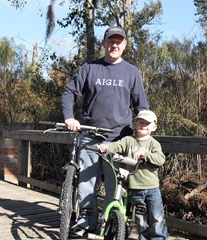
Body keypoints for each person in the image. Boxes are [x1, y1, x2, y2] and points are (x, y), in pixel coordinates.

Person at [61, 25, 149, 238]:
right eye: (111, 41)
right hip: (90, 137)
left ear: (125, 45)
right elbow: (69, 92)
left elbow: (142, 107)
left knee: (115, 187)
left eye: (119, 41)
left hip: (119, 140)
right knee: (85, 185)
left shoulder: (132, 72)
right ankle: (85, 223)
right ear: (104, 43)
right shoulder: (90, 68)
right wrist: (69, 117)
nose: (114, 45)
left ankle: (111, 226)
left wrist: (143, 136)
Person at [97, 110, 168, 240]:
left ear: (154, 127)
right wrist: (105, 147)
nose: (143, 126)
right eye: (141, 122)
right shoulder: (128, 141)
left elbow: (160, 159)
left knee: (157, 217)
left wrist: (145, 155)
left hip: (152, 188)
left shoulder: (153, 144)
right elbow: (116, 146)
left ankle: (160, 238)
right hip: (135, 189)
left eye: (147, 123)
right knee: (141, 219)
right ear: (135, 124)